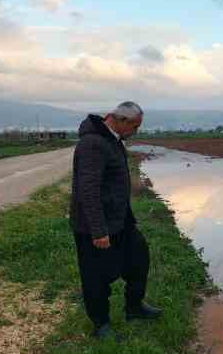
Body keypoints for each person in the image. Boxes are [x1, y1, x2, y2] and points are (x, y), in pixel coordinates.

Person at [69, 101, 162, 339]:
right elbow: (87, 190)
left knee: (139, 258)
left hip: (120, 221)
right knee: (96, 277)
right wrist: (98, 231)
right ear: (120, 120)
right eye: (135, 126)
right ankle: (101, 326)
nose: (136, 132)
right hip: (96, 227)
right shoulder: (93, 144)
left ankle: (134, 307)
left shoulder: (112, 140)